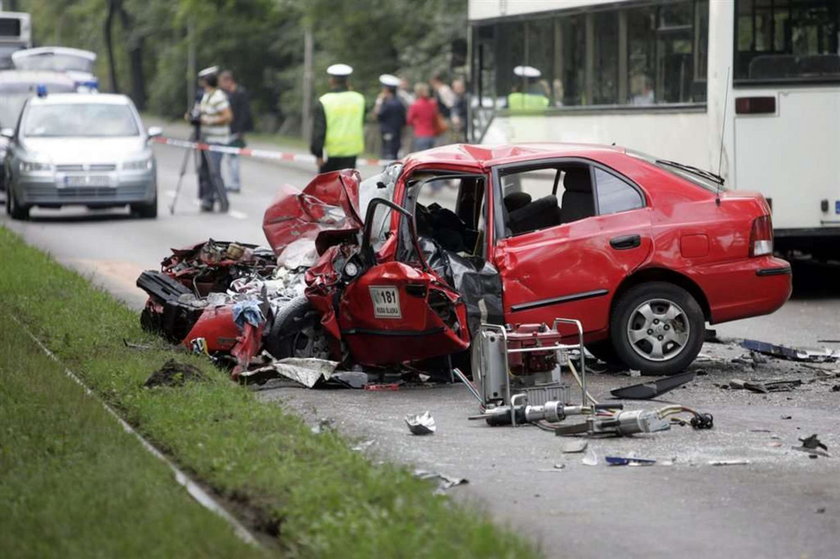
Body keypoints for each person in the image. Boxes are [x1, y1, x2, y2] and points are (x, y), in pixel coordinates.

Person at [310, 63, 365, 173]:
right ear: (347, 81)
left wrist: (318, 153)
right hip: (351, 151)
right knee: (346, 186)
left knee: (328, 187)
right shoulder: (359, 99)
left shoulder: (324, 101)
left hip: (330, 152)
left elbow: (319, 131)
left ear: (331, 81)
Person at [190, 66, 230, 212]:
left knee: (214, 171)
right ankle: (208, 200)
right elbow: (202, 113)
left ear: (206, 82)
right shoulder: (206, 96)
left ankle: (223, 201)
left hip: (217, 140)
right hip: (205, 139)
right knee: (204, 171)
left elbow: (228, 116)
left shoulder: (218, 96)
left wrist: (209, 120)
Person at [218, 70, 254, 193]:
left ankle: (235, 184)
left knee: (233, 158)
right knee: (230, 158)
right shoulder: (229, 94)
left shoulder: (240, 93)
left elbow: (244, 113)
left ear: (229, 81)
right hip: (230, 130)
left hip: (236, 130)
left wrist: (240, 130)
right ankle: (233, 182)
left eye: (223, 82)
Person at [373, 74, 406, 160]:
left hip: (388, 133)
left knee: (388, 156)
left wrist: (379, 101)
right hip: (397, 133)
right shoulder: (399, 102)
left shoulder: (387, 104)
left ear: (386, 89)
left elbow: (376, 115)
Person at [406, 82, 438, 152]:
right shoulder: (432, 103)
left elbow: (409, 120)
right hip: (431, 135)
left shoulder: (415, 105)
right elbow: (434, 118)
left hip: (420, 134)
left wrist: (416, 122)